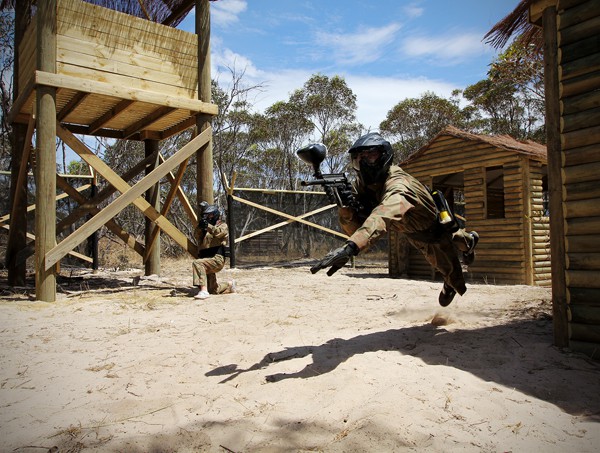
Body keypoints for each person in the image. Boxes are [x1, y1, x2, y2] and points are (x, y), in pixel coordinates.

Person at [311, 132, 479, 307]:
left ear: (384, 156)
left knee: (454, 254)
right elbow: (355, 229)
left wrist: (351, 247)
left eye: (370, 156)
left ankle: (467, 249)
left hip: (435, 228)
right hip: (414, 232)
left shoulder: (399, 185)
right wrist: (346, 208)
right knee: (440, 261)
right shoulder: (363, 185)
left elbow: (383, 215)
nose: (364, 163)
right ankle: (462, 257)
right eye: (359, 158)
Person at [192, 203, 235, 300]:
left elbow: (219, 232)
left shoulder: (223, 225)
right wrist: (200, 227)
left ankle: (203, 291)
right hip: (207, 259)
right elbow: (196, 236)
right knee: (213, 290)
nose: (208, 217)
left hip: (217, 259)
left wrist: (208, 226)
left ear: (215, 214)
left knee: (197, 264)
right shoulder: (205, 230)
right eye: (206, 215)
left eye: (210, 215)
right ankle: (230, 284)